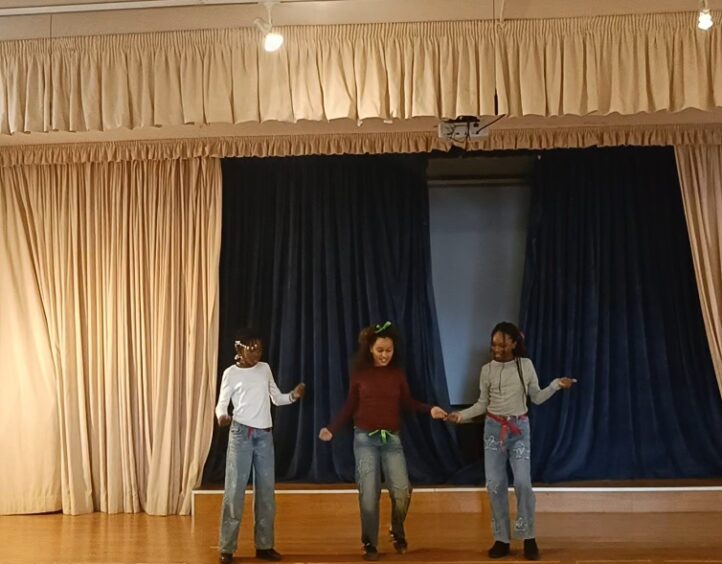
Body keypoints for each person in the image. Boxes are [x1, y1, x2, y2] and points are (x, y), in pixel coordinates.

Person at [319, 322, 448, 561]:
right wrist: (332, 429)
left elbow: (407, 402)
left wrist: (429, 409)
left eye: (389, 350)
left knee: (402, 491)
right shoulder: (360, 374)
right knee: (369, 493)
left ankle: (396, 529)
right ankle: (369, 542)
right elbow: (349, 406)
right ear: (370, 348)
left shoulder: (397, 374)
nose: (384, 355)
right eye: (380, 350)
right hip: (365, 439)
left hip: (391, 439)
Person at [447, 322, 576, 561]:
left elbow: (536, 398)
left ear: (515, 343)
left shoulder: (525, 366)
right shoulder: (487, 370)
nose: (497, 349)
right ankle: (501, 539)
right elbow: (482, 404)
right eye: (494, 345)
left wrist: (556, 385)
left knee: (523, 483)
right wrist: (461, 416)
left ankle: (529, 537)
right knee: (495, 485)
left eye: (503, 344)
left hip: (519, 430)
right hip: (493, 431)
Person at [216, 328, 306, 564]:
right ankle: (227, 547)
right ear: (240, 349)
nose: (257, 354)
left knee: (266, 493)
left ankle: (264, 546)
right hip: (241, 435)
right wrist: (222, 416)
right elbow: (221, 404)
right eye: (252, 349)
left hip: (264, 436)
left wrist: (293, 396)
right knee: (234, 491)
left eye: (260, 350)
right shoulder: (231, 373)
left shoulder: (264, 369)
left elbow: (276, 398)